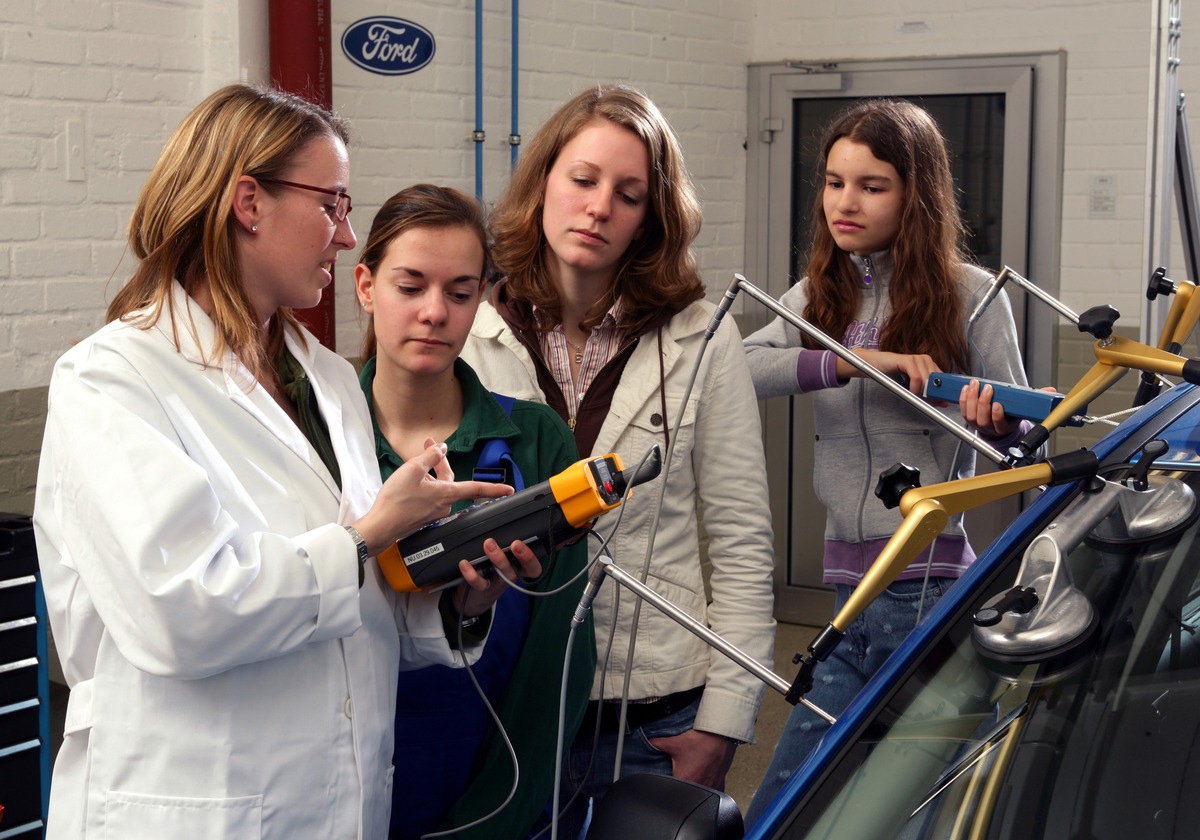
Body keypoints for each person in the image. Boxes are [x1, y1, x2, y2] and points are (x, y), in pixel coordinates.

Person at [32, 84, 537, 840]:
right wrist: (368, 533)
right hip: (193, 807)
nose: (346, 233)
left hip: (337, 800)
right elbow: (182, 614)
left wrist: (454, 601)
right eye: (332, 203)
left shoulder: (327, 378)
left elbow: (352, 606)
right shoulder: (111, 379)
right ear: (249, 202)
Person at [459, 84, 777, 834]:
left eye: (628, 194)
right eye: (583, 180)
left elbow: (740, 542)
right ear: (542, 184)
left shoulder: (701, 337)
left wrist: (723, 724)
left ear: (649, 220)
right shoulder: (468, 329)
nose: (599, 207)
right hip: (504, 710)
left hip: (654, 718)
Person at [741, 98, 1032, 823]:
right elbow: (739, 367)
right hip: (850, 591)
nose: (846, 202)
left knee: (908, 806)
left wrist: (995, 425)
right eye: (835, 183)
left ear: (916, 194)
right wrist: (849, 364)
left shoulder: (971, 296)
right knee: (791, 792)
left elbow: (1029, 438)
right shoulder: (816, 296)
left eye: (871, 186)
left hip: (928, 586)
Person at [353, 183, 596, 840]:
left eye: (460, 293)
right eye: (411, 287)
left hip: (496, 790)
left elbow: (560, 655)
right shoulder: (312, 435)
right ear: (365, 285)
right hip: (341, 795)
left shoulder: (537, 440)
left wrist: (498, 814)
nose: (435, 312)